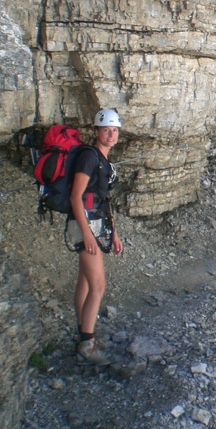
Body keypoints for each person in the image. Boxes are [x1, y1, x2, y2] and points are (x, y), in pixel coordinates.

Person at [67, 109, 123, 365]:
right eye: (106, 130)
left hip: (96, 223)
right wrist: (88, 235)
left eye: (114, 130)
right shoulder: (89, 157)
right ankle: (87, 344)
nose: (111, 134)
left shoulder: (103, 159)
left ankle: (83, 330)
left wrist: (115, 234)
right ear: (97, 132)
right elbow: (76, 196)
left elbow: (103, 199)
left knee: (86, 281)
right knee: (98, 285)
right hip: (84, 225)